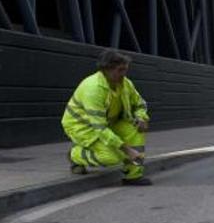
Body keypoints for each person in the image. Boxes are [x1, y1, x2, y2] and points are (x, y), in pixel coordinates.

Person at [62, 49, 152, 185]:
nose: (124, 74)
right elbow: (100, 128)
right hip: (82, 126)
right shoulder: (93, 89)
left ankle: (133, 176)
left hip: (109, 122)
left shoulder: (125, 83)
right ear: (107, 69)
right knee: (110, 157)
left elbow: (140, 103)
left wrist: (141, 117)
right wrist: (127, 150)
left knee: (135, 130)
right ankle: (75, 155)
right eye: (120, 70)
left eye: (125, 70)